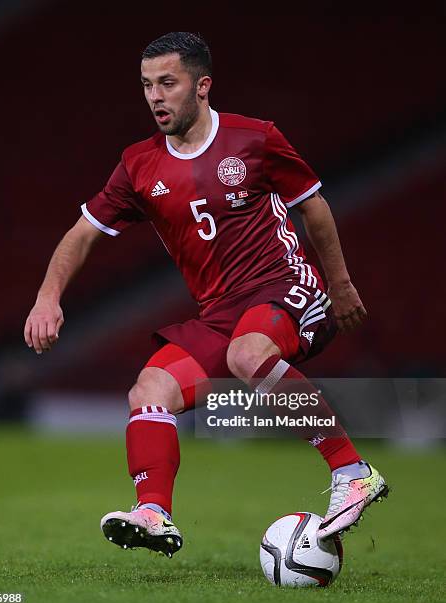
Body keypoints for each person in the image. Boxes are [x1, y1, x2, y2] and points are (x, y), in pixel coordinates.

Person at [24, 32, 388, 558]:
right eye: (147, 85)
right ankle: (153, 513)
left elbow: (314, 206)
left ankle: (352, 472)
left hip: (285, 286)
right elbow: (82, 234)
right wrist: (47, 297)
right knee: (149, 390)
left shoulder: (255, 139)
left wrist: (341, 284)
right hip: (220, 314)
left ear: (202, 86)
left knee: (247, 355)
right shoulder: (138, 165)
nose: (155, 97)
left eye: (168, 83)